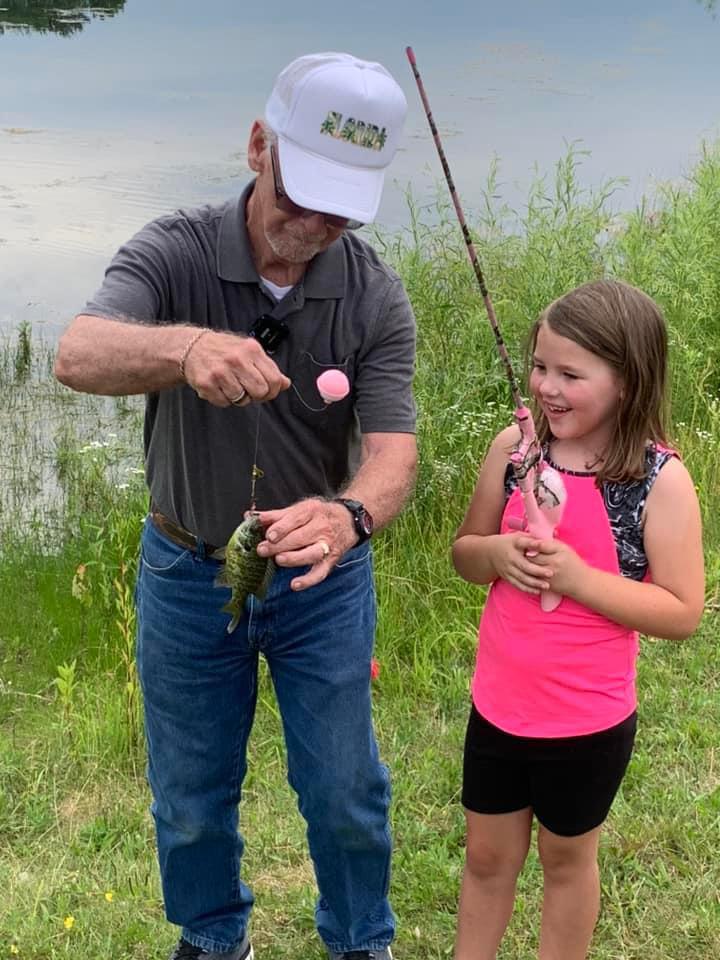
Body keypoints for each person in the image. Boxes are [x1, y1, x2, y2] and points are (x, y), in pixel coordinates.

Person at [54, 52, 417, 960]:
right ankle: (215, 939)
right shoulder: (173, 250)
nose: (316, 225)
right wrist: (183, 351)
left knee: (345, 789)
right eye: (302, 194)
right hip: (186, 570)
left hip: (321, 582)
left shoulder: (374, 295)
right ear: (259, 145)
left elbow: (393, 456)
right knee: (189, 796)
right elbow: (75, 353)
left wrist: (348, 518)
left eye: (341, 208)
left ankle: (361, 941)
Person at [451, 280, 704, 960]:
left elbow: (682, 611)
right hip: (498, 708)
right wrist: (495, 555)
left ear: (627, 381)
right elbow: (465, 553)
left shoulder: (657, 481)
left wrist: (578, 580)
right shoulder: (515, 450)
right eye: (540, 366)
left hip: (587, 724)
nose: (547, 386)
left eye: (570, 374)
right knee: (486, 856)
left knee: (566, 861)